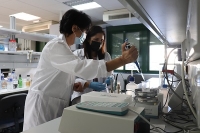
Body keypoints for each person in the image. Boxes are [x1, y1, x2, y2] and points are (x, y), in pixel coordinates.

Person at [23, 9, 138, 131]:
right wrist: (122, 60)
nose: (84, 36)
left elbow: (66, 75)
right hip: (42, 105)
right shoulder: (55, 46)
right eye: (84, 32)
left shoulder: (66, 49)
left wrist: (78, 84)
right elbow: (82, 68)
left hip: (55, 103)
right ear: (74, 29)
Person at [71, 26, 112, 104]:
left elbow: (110, 73)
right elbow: (71, 79)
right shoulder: (77, 55)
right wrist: (88, 84)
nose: (99, 42)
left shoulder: (106, 56)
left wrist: (110, 78)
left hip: (101, 96)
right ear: (89, 39)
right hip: (82, 96)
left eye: (101, 40)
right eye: (96, 39)